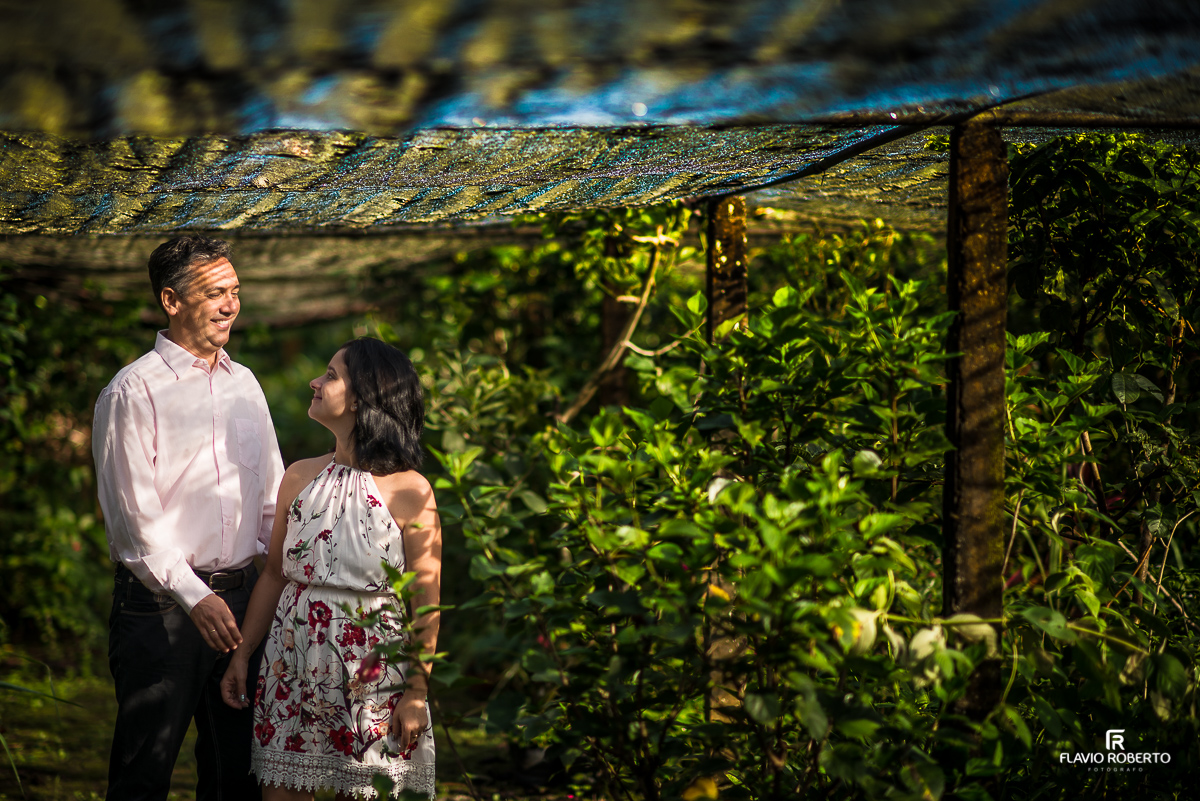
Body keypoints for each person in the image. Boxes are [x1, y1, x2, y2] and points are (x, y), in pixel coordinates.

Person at [93, 235, 285, 800]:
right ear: (171, 301)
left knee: (238, 773)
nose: (231, 305)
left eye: (236, 291)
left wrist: (280, 586)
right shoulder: (132, 391)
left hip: (245, 604)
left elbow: (272, 497)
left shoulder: (244, 382)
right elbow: (134, 520)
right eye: (216, 293)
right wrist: (194, 595)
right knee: (143, 772)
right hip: (161, 610)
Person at [219, 337, 441, 799]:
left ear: (363, 397)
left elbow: (426, 599)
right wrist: (243, 654)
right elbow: (276, 576)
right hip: (291, 661)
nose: (314, 382)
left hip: (372, 672)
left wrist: (417, 691)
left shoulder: (410, 489)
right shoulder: (299, 476)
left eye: (331, 375)